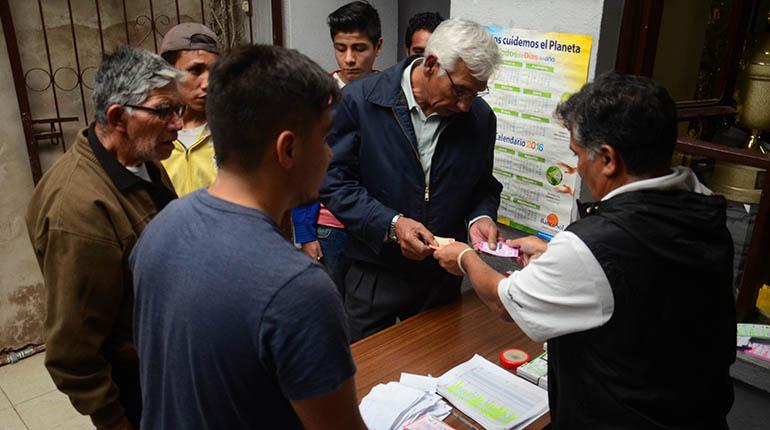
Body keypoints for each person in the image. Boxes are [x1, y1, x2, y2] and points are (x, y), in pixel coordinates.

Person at [434, 73, 736, 428]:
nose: (577, 166)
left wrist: (464, 257)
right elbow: (637, 279)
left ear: (607, 159)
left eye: (577, 154)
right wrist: (556, 254)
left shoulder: (594, 244)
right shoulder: (700, 205)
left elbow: (503, 303)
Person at [130, 44, 365, 429]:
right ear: (288, 148)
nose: (329, 154)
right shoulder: (299, 290)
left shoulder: (160, 228)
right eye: (325, 138)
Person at [25, 47, 181, 430]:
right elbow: (72, 353)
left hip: (167, 364)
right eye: (164, 111)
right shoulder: (78, 210)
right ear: (117, 118)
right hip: (136, 389)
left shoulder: (143, 163)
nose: (178, 123)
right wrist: (115, 421)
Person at [320, 18, 504, 341]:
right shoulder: (361, 101)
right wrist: (392, 223)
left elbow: (482, 186)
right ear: (431, 65)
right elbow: (334, 183)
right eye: (460, 90)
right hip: (374, 269)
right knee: (367, 372)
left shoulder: (480, 118)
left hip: (439, 278)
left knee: (434, 371)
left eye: (475, 93)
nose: (465, 105)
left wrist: (481, 216)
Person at [291, 0, 382, 292]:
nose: (349, 59)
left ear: (378, 46)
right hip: (329, 225)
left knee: (371, 308)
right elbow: (300, 167)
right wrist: (306, 232)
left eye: (359, 48)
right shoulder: (315, 97)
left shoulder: (389, 94)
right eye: (340, 48)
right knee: (330, 305)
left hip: (376, 222)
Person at [159, 23, 220, 196]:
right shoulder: (153, 137)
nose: (207, 83)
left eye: (214, 71)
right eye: (195, 70)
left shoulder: (231, 132)